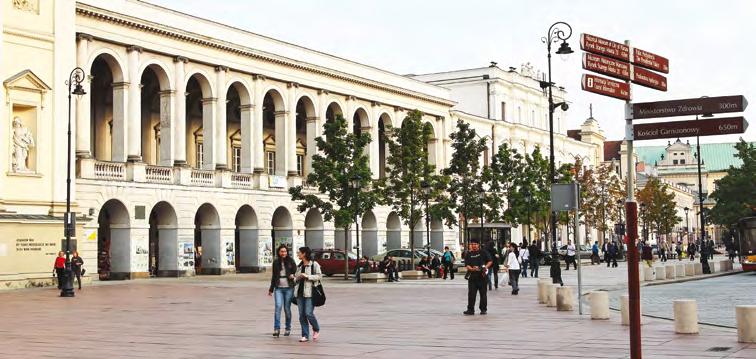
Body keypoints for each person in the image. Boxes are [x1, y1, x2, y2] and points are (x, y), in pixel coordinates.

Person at [294, 246, 322, 343]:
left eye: (299, 252)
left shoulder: (314, 264)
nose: (298, 254)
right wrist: (296, 277)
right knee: (302, 315)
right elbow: (295, 278)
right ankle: (305, 335)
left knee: (308, 313)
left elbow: (319, 276)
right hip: (299, 293)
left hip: (310, 293)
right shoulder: (299, 266)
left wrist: (307, 276)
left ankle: (316, 328)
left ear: (304, 254)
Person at [268, 244, 296, 338]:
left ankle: (288, 328)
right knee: (278, 307)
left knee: (287, 309)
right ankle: (276, 329)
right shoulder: (276, 262)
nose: (283, 253)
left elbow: (295, 271)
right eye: (281, 251)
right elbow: (274, 276)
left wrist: (293, 275)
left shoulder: (291, 261)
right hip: (278, 288)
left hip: (289, 287)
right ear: (278, 252)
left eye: (285, 251)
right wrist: (271, 289)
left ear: (287, 252)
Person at [463, 240, 492, 315]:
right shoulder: (468, 254)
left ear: (478, 245)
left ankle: (483, 309)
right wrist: (471, 269)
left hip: (482, 276)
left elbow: (490, 261)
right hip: (472, 277)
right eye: (472, 244)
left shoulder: (483, 252)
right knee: (471, 294)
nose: (474, 245)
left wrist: (485, 267)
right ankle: (470, 309)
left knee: (483, 294)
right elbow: (467, 265)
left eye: (475, 244)